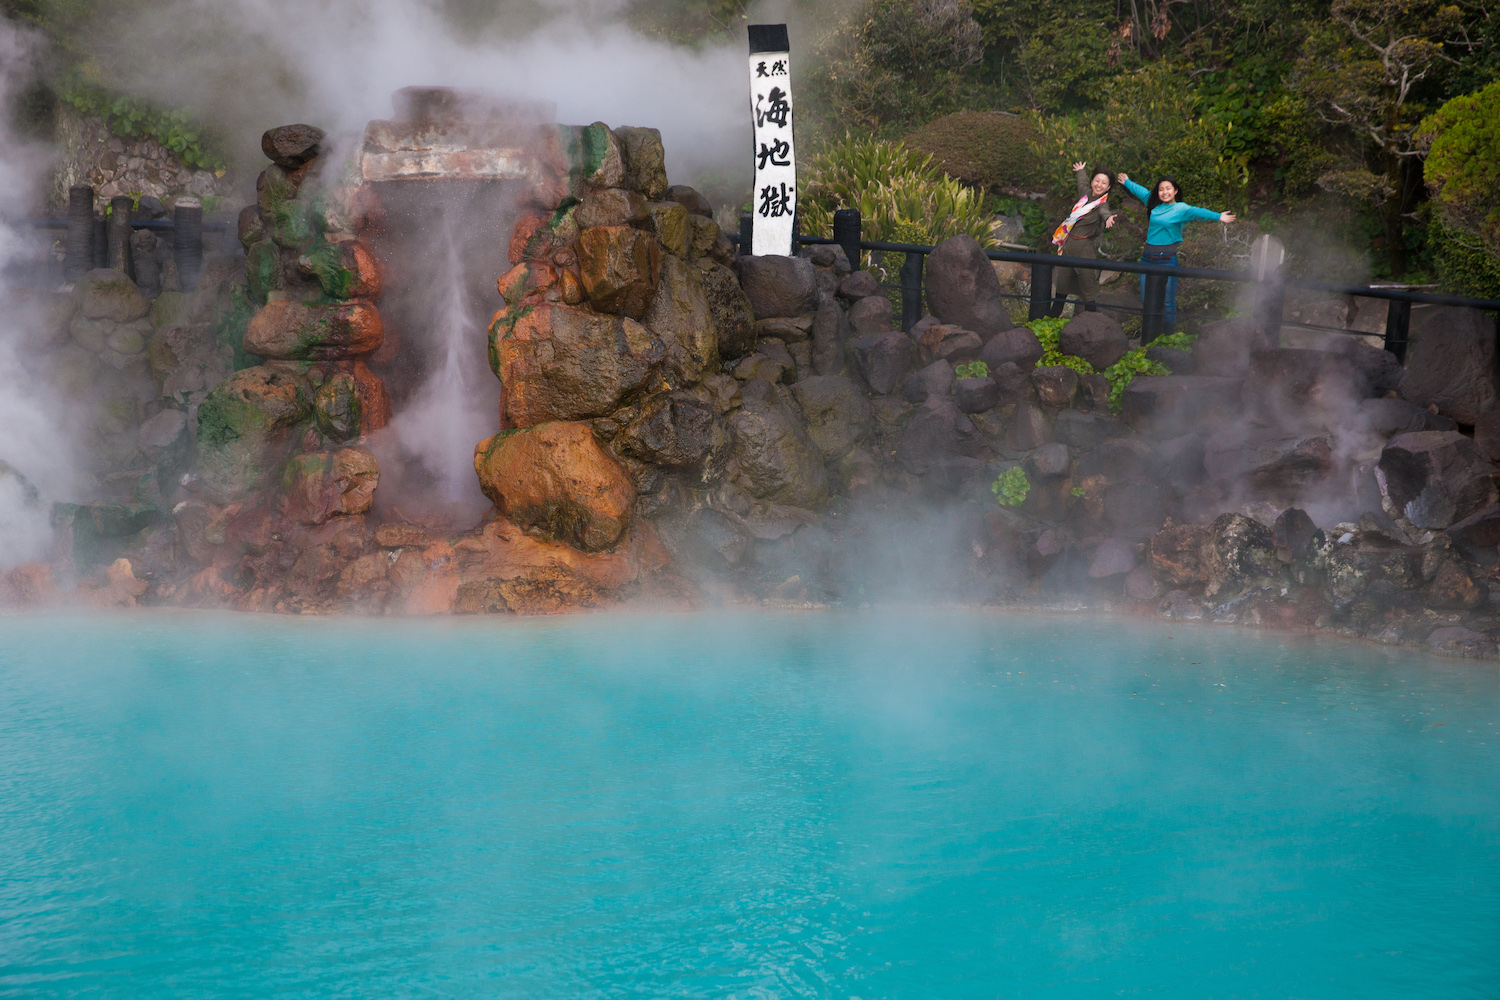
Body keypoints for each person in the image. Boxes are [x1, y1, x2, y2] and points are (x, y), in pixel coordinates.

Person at [1116, 173, 1235, 332]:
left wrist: (1218, 216)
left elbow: (1199, 212)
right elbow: (1143, 192)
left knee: (1167, 301)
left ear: (1175, 191)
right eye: (1161, 189)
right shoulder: (1154, 204)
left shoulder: (1181, 208)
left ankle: (1168, 335)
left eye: (1168, 189)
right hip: (1147, 259)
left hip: (1166, 259)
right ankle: (1150, 334)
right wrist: (1127, 182)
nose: (1164, 192)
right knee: (1146, 299)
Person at [1048, 162, 1117, 316]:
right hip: (1069, 244)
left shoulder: (1102, 204)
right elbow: (1082, 182)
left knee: (1087, 284)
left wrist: (1108, 218)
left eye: (1104, 183)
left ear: (1108, 187)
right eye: (1097, 180)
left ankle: (1091, 321)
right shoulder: (1085, 194)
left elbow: (1105, 211)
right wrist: (1080, 170)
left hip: (1084, 248)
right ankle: (1051, 320)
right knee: (1062, 283)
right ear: (1093, 181)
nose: (1099, 185)